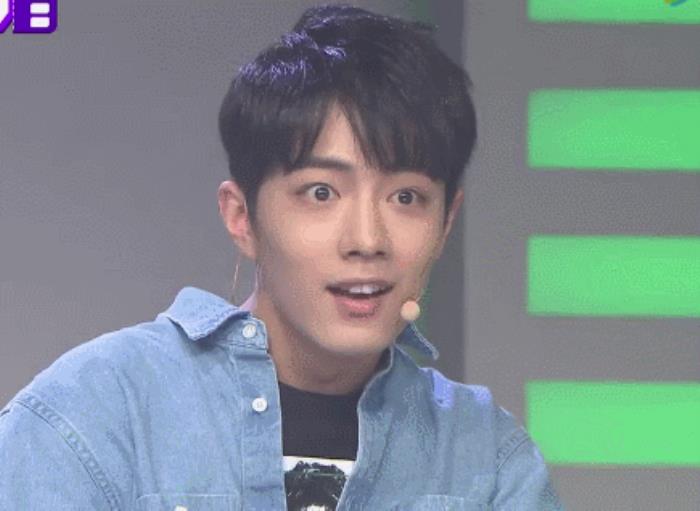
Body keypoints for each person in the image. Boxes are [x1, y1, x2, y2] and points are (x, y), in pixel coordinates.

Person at [0, 4, 564, 510]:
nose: (367, 239)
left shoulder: (486, 458)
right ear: (241, 217)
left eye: (406, 198)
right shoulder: (96, 415)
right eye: (321, 192)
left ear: (446, 224)